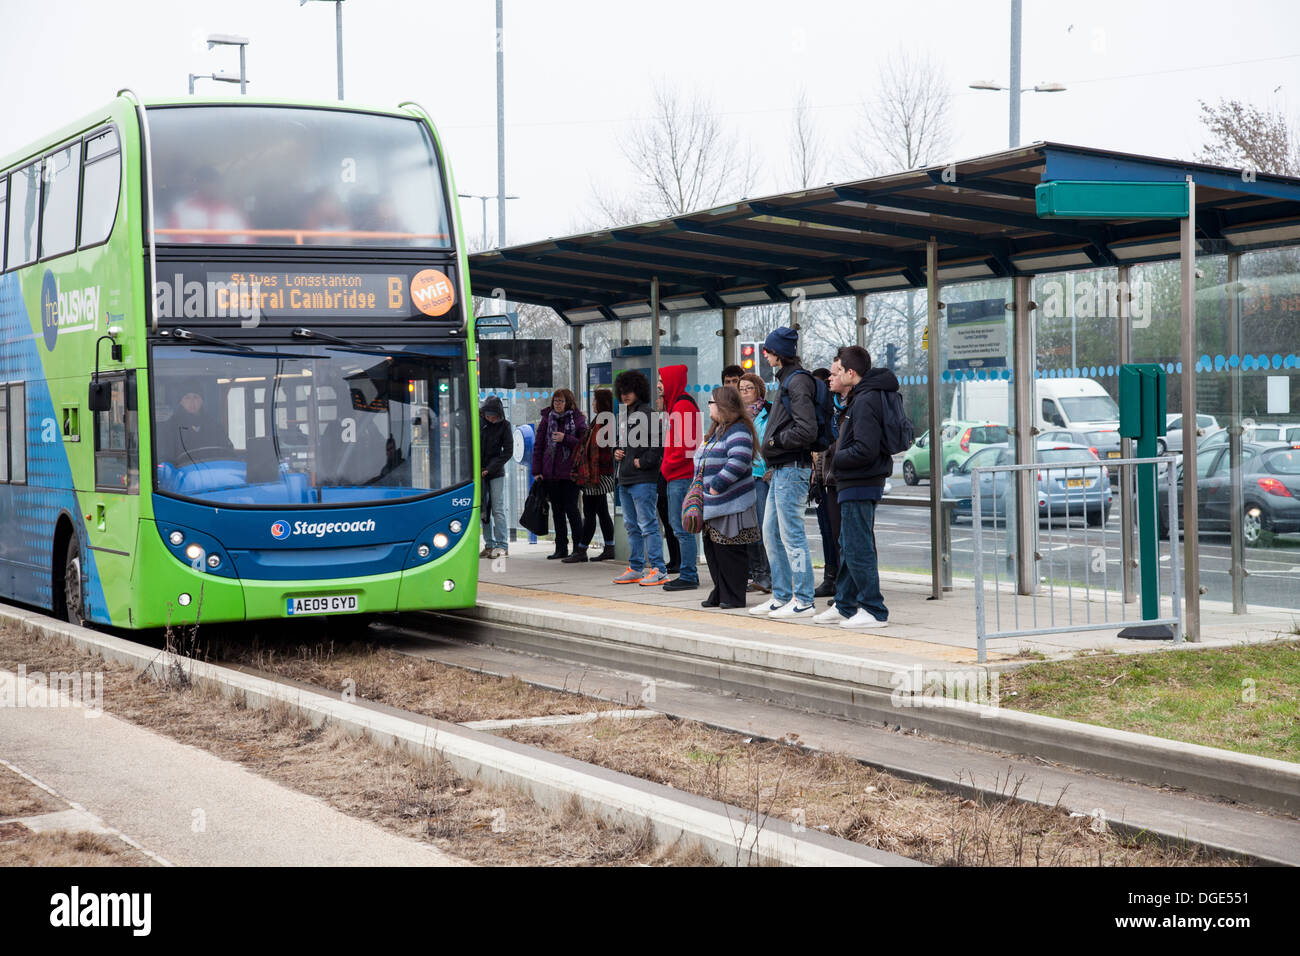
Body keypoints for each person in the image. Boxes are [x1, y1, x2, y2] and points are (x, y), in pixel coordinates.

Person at [815, 345, 893, 629]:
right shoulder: (859, 398)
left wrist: (835, 457)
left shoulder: (866, 400)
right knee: (847, 544)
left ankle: (874, 609)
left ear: (850, 372)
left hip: (861, 482)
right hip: (854, 482)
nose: (832, 376)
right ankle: (845, 604)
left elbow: (865, 449)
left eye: (837, 371)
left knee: (858, 546)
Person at [748, 327, 819, 620]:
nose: (764, 355)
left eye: (768, 350)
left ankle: (804, 599)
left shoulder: (797, 382)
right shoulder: (786, 380)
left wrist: (775, 442)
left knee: (792, 535)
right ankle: (782, 595)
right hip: (780, 470)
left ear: (778, 353)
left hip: (792, 469)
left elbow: (807, 429)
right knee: (771, 534)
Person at [697, 386, 760, 609]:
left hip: (731, 505)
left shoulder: (738, 430)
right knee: (714, 551)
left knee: (729, 552)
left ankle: (733, 596)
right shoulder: (718, 430)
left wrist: (716, 485)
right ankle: (721, 591)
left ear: (723, 405)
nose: (709, 407)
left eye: (711, 403)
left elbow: (739, 460)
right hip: (714, 505)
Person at [611, 370, 667, 586]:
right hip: (625, 478)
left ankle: (658, 569)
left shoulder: (648, 413)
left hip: (643, 478)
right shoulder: (624, 414)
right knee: (632, 526)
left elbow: (657, 446)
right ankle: (636, 568)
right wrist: (616, 451)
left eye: (630, 391)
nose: (625, 395)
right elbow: (619, 442)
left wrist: (642, 462)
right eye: (622, 391)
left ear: (639, 390)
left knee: (647, 525)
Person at [658, 365, 701, 591]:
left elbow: (687, 448)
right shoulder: (678, 405)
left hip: (680, 477)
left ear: (672, 381)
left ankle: (688, 574)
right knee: (680, 528)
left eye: (661, 381)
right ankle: (687, 572)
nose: (658, 385)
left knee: (681, 529)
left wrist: (666, 467)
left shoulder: (682, 406)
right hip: (677, 475)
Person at [530, 389, 587, 560]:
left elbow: (584, 445)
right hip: (551, 473)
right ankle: (560, 547)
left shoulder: (578, 419)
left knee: (572, 509)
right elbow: (539, 446)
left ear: (568, 402)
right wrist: (537, 470)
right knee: (557, 511)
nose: (557, 404)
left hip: (570, 473)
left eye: (561, 401)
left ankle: (579, 548)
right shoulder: (547, 419)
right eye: (555, 401)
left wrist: (566, 439)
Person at [567, 388, 617, 563]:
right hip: (596, 474)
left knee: (590, 512)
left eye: (595, 400)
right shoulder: (600, 420)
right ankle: (609, 546)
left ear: (602, 402)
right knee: (601, 511)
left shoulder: (603, 422)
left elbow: (598, 450)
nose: (593, 403)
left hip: (596, 475)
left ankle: (581, 550)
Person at [738, 373, 772, 594]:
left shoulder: (770, 412)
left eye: (749, 388)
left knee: (762, 527)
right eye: (741, 389)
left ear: (759, 390)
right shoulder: (737, 415)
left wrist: (772, 466)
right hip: (741, 477)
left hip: (761, 476)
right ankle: (756, 573)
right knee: (747, 529)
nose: (744, 393)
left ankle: (768, 575)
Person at [810, 368, 839, 599]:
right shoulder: (818, 413)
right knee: (826, 532)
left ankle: (839, 579)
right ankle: (831, 577)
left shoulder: (833, 411)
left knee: (837, 533)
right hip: (821, 481)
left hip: (835, 481)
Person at [479, 396, 513, 559]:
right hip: (480, 471)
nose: (491, 418)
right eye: (488, 415)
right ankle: (489, 544)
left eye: (494, 416)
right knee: (483, 509)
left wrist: (489, 469)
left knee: (497, 508)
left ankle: (502, 545)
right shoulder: (479, 423)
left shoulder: (504, 426)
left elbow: (507, 452)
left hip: (495, 471)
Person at [161, 391, 232, 464]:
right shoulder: (171, 426)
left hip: (211, 469)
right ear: (181, 402)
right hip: (183, 471)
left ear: (201, 401)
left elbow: (227, 449)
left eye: (196, 397)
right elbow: (167, 456)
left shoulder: (213, 425)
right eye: (187, 398)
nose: (192, 402)